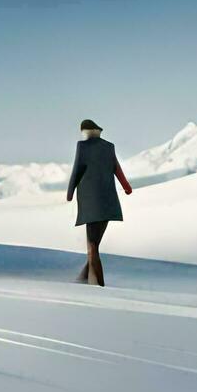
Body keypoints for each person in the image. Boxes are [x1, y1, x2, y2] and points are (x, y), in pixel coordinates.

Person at [65, 119, 132, 286]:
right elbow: (117, 169)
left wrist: (70, 192)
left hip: (90, 202)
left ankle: (98, 285)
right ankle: (82, 279)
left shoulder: (83, 146)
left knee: (92, 245)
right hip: (109, 202)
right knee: (94, 243)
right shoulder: (109, 147)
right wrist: (126, 187)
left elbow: (77, 170)